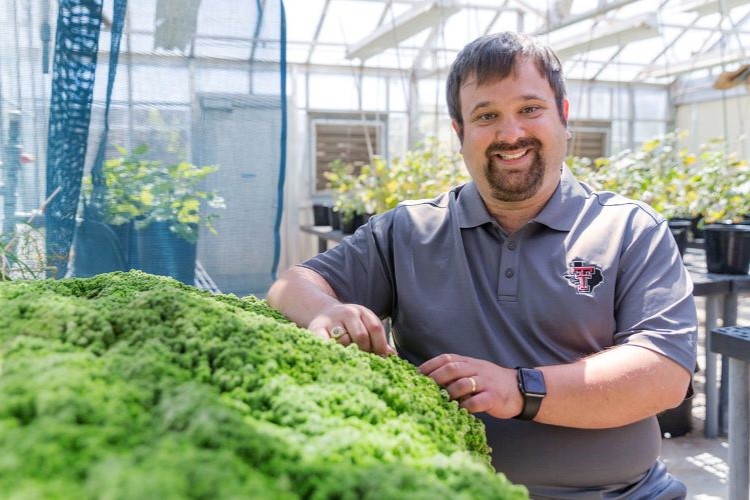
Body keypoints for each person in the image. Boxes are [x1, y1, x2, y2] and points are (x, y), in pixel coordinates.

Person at [268, 31, 697, 499]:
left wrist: (520, 389)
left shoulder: (629, 230)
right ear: (460, 132)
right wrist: (324, 311)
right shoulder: (408, 230)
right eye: (486, 115)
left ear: (564, 116)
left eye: (530, 109)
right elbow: (292, 285)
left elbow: (664, 374)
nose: (510, 134)